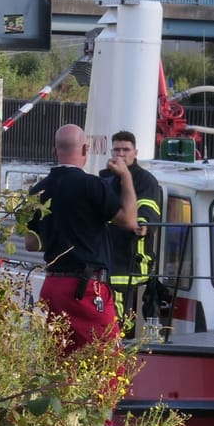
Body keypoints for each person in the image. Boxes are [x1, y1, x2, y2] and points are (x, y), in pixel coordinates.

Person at [24, 124, 138, 350]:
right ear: (85, 150)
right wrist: (126, 176)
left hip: (53, 286)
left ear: (55, 152)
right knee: (108, 364)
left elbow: (30, 243)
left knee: (60, 362)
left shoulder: (36, 190)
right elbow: (129, 221)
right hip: (86, 288)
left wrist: (61, 235)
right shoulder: (92, 185)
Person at [103, 129, 164, 335]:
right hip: (107, 253)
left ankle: (125, 343)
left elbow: (149, 208)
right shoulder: (104, 178)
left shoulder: (146, 180)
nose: (121, 154)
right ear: (111, 151)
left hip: (133, 256)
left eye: (126, 150)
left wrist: (143, 224)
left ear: (135, 152)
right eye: (117, 149)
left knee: (123, 313)